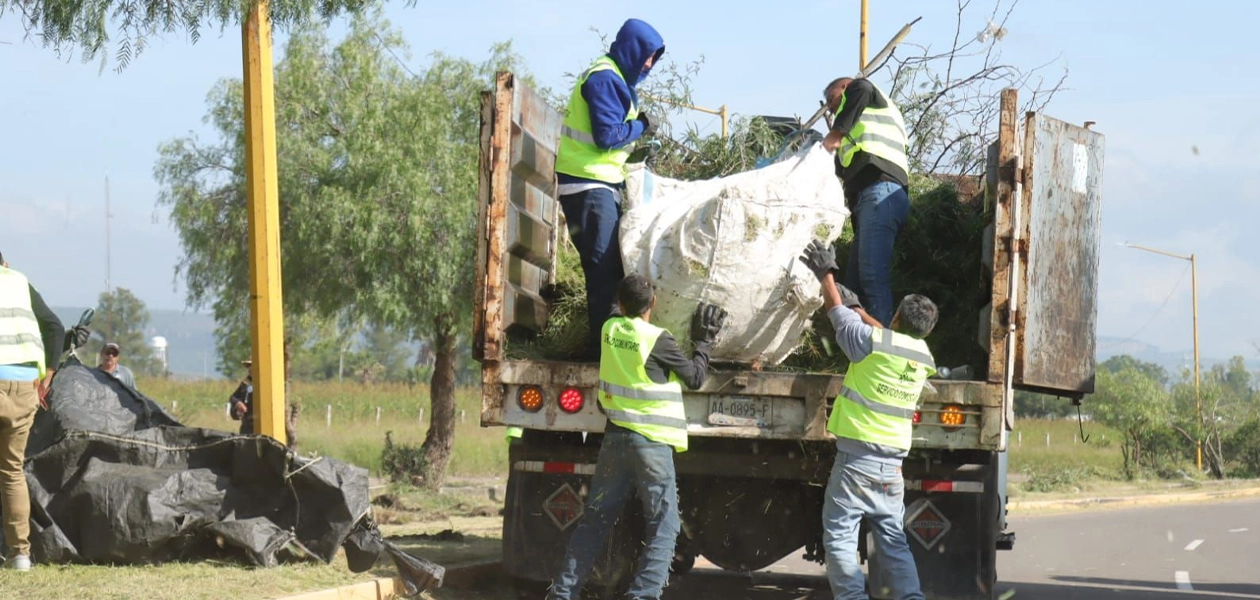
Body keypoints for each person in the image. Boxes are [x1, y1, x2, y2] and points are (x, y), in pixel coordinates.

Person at [549, 275, 726, 600]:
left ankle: (561, 593)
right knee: (664, 524)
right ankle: (642, 595)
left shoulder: (609, 330)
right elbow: (696, 378)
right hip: (651, 447)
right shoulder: (658, 339)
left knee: (595, 522)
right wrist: (704, 342)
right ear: (653, 304)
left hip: (614, 442)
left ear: (621, 303)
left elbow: (617, 310)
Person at [798, 240, 938, 600]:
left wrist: (826, 273)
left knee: (841, 536)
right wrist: (859, 308)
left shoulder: (870, 342)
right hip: (892, 468)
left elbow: (836, 315)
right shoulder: (922, 356)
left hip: (856, 462)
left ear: (895, 317)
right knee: (893, 540)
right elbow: (885, 336)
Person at [555, 19, 665, 359]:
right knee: (604, 271)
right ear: (631, 48)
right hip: (589, 185)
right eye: (647, 56)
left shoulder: (615, 78)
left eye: (653, 59)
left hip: (599, 184)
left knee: (608, 268)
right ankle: (601, 353)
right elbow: (607, 136)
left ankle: (605, 346)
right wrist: (642, 125)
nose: (648, 64)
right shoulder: (604, 79)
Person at [821, 76, 911, 327]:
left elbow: (862, 86)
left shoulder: (862, 89)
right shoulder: (859, 121)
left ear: (845, 88)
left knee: (872, 277)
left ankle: (881, 352)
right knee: (854, 284)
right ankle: (858, 349)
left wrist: (835, 134)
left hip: (881, 194)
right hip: (873, 200)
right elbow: (843, 167)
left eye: (832, 99)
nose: (830, 107)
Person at [0, 251, 65, 571]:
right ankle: (20, 555)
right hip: (24, 387)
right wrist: (47, 377)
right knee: (12, 472)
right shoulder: (19, 282)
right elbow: (55, 327)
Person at [228, 360, 254, 435]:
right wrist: (238, 403)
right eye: (248, 366)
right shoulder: (245, 383)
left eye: (251, 365)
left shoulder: (267, 383)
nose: (249, 369)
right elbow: (233, 397)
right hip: (247, 426)